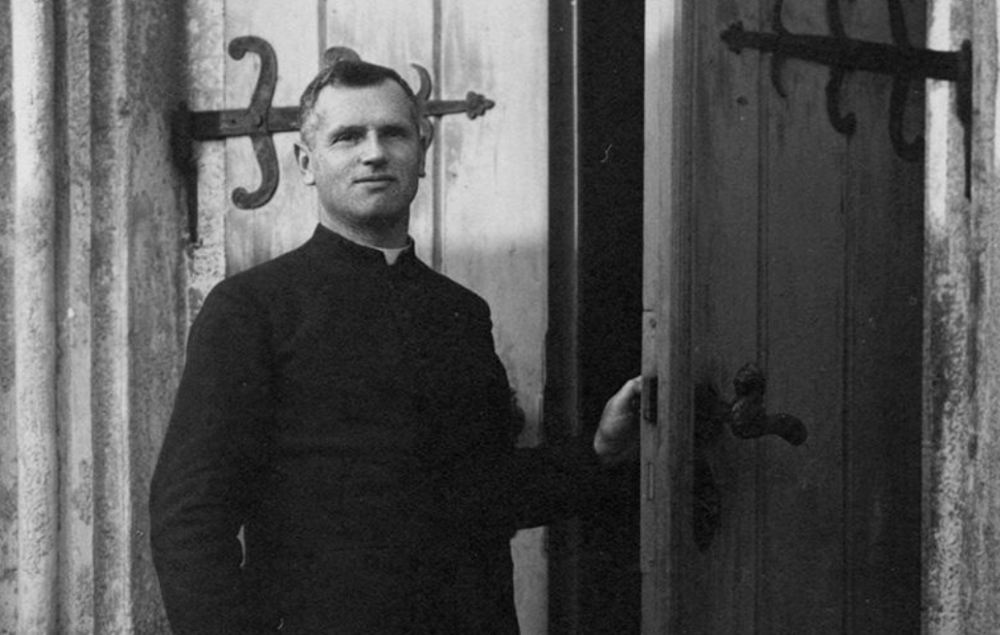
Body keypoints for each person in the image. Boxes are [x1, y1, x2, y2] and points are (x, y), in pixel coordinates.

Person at [149, 59, 640, 635]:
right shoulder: (251, 309)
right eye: (347, 137)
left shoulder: (459, 312)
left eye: (393, 133)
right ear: (306, 164)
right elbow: (190, 518)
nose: (374, 153)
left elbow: (483, 492)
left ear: (422, 154)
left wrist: (598, 450)